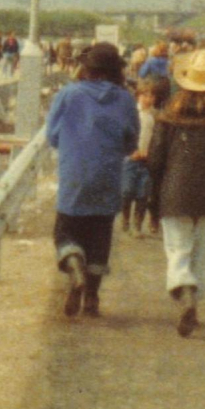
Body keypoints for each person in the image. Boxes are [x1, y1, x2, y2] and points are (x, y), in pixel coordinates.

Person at [46, 43, 139, 318]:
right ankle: (92, 299)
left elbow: (52, 135)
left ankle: (75, 266)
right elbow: (131, 141)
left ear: (87, 67)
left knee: (65, 232)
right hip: (109, 175)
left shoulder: (69, 94)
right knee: (100, 236)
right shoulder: (125, 99)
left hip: (74, 175)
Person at [147, 49, 205, 337]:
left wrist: (152, 201)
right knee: (201, 253)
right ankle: (195, 299)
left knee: (178, 250)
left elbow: (156, 161)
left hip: (175, 192)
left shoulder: (169, 115)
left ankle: (186, 295)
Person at [119, 79, 157, 234]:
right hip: (130, 159)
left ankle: (137, 224)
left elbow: (155, 138)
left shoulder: (154, 116)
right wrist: (129, 151)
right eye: (145, 96)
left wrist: (151, 153)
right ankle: (125, 219)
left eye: (151, 96)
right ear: (138, 96)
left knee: (143, 193)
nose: (148, 99)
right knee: (127, 191)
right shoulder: (131, 113)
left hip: (146, 160)